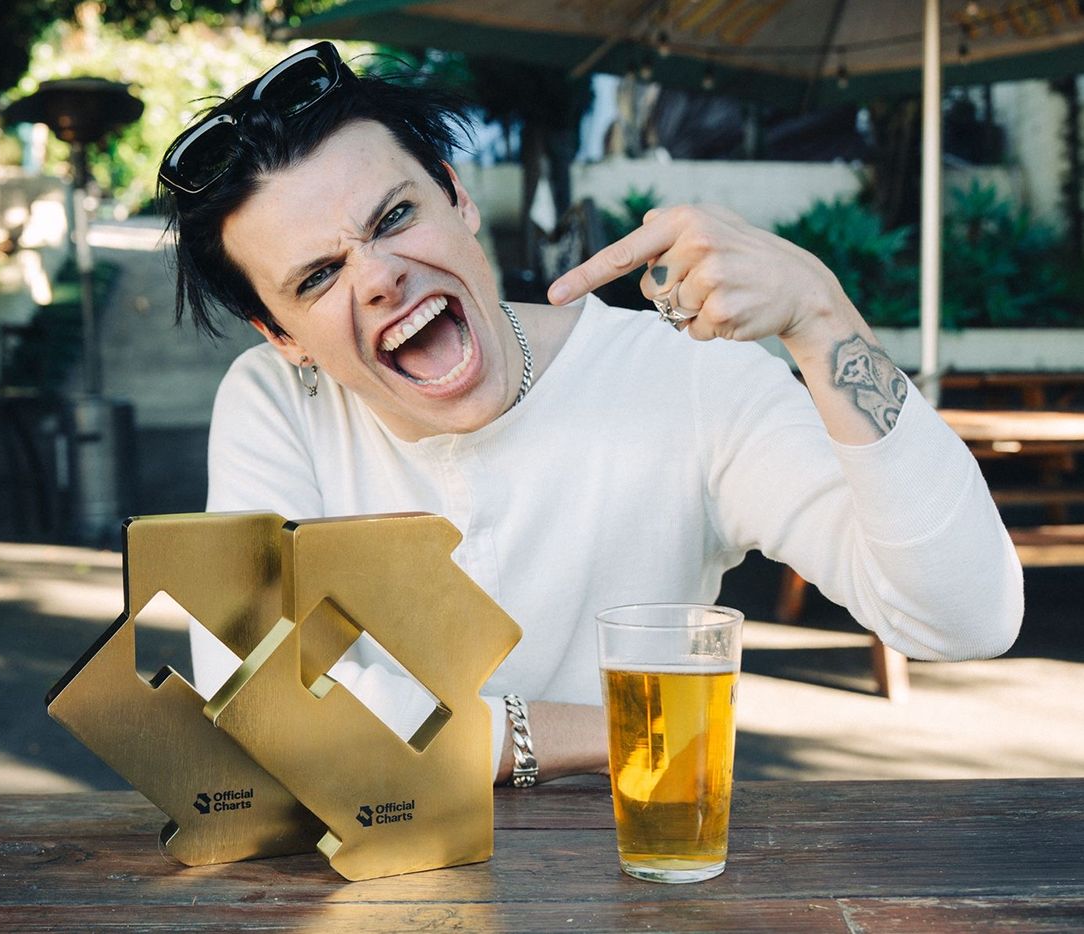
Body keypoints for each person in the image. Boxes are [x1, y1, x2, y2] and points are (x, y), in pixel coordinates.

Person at [159, 42, 1023, 787]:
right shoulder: (275, 403)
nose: (379, 276)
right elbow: (263, 707)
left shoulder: (686, 376)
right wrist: (619, 728)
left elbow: (965, 618)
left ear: (457, 198)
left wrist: (822, 318)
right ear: (283, 335)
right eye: (317, 278)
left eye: (395, 217)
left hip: (638, 873)